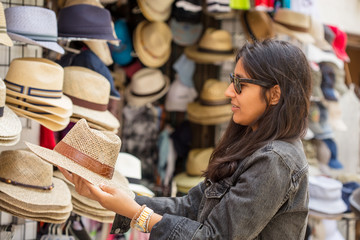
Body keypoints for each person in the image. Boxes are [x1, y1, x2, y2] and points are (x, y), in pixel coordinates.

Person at [59, 39, 311, 239]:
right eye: (231, 81)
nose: (228, 91)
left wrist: (136, 213)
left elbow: (214, 237)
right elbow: (192, 206)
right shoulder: (253, 144)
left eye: (240, 84)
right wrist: (117, 199)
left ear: (275, 94)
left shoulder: (276, 161)